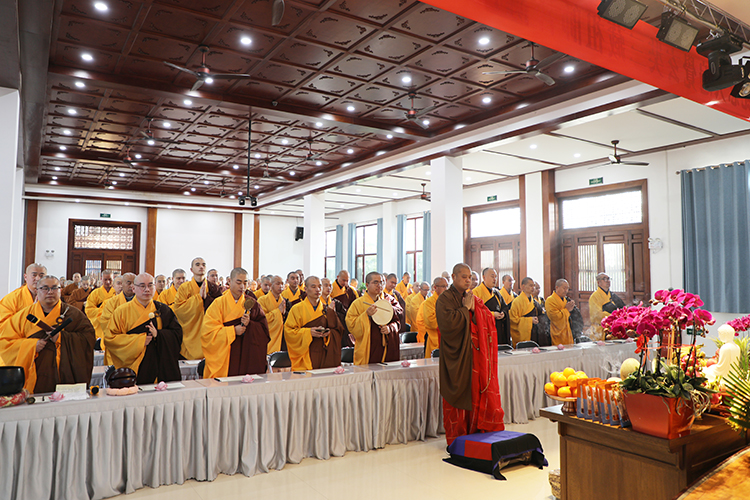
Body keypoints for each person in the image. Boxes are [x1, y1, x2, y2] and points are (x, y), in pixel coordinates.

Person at [436, 263, 504, 445]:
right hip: (456, 358)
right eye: (464, 277)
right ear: (454, 277)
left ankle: (474, 432)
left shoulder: (471, 297)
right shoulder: (444, 300)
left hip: (474, 358)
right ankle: (456, 438)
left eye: (470, 277)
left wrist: (472, 309)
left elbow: (488, 317)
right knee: (458, 396)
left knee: (475, 394)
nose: (468, 280)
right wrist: (466, 309)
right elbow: (447, 325)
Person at [0, 276, 95, 394]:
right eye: (45, 288)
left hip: (64, 377)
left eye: (54, 288)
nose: (50, 292)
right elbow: (4, 342)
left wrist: (61, 338)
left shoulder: (74, 314)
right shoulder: (23, 316)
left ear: (60, 290)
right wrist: (31, 345)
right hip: (35, 377)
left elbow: (88, 338)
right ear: (37, 291)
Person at [106, 273, 182, 384]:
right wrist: (139, 341)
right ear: (133, 288)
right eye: (142, 286)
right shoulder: (121, 312)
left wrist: (159, 335)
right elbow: (111, 339)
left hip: (160, 367)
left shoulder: (163, 310)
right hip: (134, 370)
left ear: (154, 287)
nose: (147, 289)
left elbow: (177, 335)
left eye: (150, 285)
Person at [201, 267, 270, 378]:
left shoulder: (252, 304)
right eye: (238, 282)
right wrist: (232, 331)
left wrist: (250, 325)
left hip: (246, 356)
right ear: (230, 281)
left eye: (245, 282)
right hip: (226, 358)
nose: (242, 286)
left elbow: (264, 331)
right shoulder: (218, 304)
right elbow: (208, 333)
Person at [284, 276, 344, 371]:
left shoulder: (328, 310)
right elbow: (289, 332)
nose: (318, 290)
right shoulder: (297, 309)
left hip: (324, 355)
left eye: (320, 286)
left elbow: (338, 331)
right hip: (306, 355)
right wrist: (308, 332)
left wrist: (329, 334)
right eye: (313, 287)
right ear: (305, 289)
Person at [346, 272, 403, 365]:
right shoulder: (358, 304)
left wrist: (390, 328)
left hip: (387, 347)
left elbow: (398, 320)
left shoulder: (389, 300)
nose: (379, 285)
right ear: (367, 285)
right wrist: (366, 315)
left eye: (381, 282)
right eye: (375, 282)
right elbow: (351, 326)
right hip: (368, 348)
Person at [173, 257, 222, 360]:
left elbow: (220, 308)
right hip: (190, 332)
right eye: (198, 264)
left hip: (208, 331)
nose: (201, 267)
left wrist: (206, 299)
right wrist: (198, 298)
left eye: (203, 264)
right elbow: (178, 309)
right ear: (191, 269)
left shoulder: (214, 288)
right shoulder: (184, 288)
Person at [0, 263, 46, 329]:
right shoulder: (12, 298)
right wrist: (32, 310)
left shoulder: (51, 297)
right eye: (34, 275)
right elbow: (3, 325)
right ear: (25, 277)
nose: (38, 278)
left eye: (41, 276)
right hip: (18, 336)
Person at [472, 268, 510, 346]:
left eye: (496, 277)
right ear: (484, 277)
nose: (494, 279)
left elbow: (504, 307)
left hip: (498, 328)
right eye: (492, 276)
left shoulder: (497, 292)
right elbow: (476, 312)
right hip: (485, 330)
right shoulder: (476, 292)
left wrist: (503, 313)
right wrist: (492, 314)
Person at [417, 277, 448, 357]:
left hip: (448, 340)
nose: (446, 289)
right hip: (434, 340)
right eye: (443, 286)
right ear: (435, 287)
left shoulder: (449, 302)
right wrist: (448, 320)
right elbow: (431, 322)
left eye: (447, 286)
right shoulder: (428, 303)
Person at [257, 275, 286, 354]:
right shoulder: (262, 300)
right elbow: (262, 319)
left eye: (282, 284)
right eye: (278, 283)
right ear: (271, 285)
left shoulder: (284, 301)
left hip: (281, 338)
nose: (281, 286)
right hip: (267, 337)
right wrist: (278, 311)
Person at [84, 269, 115, 341]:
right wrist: (104, 312)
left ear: (113, 279)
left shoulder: (116, 292)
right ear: (101, 279)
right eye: (105, 279)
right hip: (99, 324)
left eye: (110, 279)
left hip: (113, 323)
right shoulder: (95, 293)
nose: (108, 282)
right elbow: (89, 309)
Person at [330, 270, 359, 347]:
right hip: (338, 318)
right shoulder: (331, 289)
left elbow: (355, 304)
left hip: (348, 317)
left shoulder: (350, 290)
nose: (345, 283)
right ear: (337, 277)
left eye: (347, 280)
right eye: (343, 280)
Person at [509, 277, 539, 347]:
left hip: (533, 332)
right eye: (531, 285)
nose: (533, 288)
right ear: (523, 286)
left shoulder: (534, 301)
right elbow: (513, 320)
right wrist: (530, 320)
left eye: (533, 286)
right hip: (522, 335)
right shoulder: (517, 301)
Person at [546, 279, 575, 345]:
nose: (566, 291)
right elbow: (555, 317)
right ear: (557, 287)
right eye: (564, 288)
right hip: (557, 332)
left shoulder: (565, 300)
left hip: (567, 332)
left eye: (567, 288)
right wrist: (566, 310)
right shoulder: (550, 300)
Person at [589, 273, 614, 340]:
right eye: (604, 279)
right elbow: (597, 314)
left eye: (608, 279)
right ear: (598, 282)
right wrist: (613, 317)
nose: (607, 281)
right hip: (600, 330)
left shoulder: (613, 296)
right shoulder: (594, 296)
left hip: (612, 329)